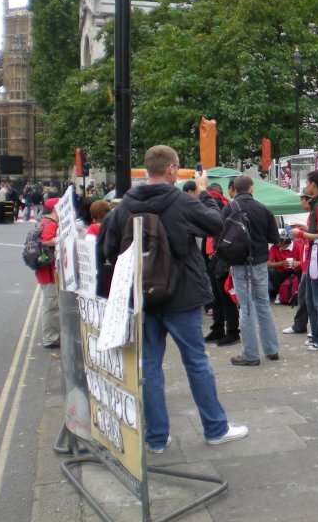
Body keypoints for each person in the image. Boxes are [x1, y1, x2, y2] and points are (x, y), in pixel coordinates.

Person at [100, 145, 246, 452]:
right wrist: (203, 192)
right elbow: (216, 223)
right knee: (195, 362)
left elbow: (107, 246)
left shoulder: (125, 205)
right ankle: (215, 428)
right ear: (170, 170)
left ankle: (156, 438)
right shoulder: (180, 201)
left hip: (142, 297)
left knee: (150, 366)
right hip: (182, 295)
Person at [221, 175, 281, 366]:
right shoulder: (264, 209)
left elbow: (220, 237)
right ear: (251, 189)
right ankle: (272, 349)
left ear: (235, 190)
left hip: (240, 264)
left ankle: (250, 354)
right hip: (261, 262)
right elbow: (274, 238)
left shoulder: (229, 209)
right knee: (263, 304)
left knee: (246, 308)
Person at [291, 171, 318, 351]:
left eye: (307, 183)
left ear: (313, 185)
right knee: (310, 300)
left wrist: (301, 234)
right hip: (313, 259)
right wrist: (304, 229)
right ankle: (317, 335)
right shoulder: (317, 205)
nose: (306, 186)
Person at [203, 183, 240, 346]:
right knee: (219, 297)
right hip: (220, 257)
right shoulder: (225, 205)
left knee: (223, 297)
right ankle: (220, 329)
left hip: (218, 257)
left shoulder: (215, 205)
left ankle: (230, 332)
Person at [282, 188, 312, 335]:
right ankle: (300, 325)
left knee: (312, 299)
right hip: (307, 266)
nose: (300, 202)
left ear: (308, 200)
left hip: (312, 266)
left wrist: (301, 232)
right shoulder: (312, 216)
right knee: (303, 296)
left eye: (302, 199)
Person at [35, 197, 60, 348]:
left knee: (52, 304)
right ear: (55, 209)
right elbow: (46, 241)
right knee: (51, 306)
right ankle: (50, 338)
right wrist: (61, 239)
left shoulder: (44, 222)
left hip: (46, 271)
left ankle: (53, 336)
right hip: (48, 273)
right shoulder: (50, 224)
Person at [268, 229, 302, 303]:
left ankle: (297, 293)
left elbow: (305, 261)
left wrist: (298, 263)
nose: (274, 243)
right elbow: (268, 264)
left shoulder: (297, 246)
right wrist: (281, 264)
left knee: (302, 272)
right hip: (282, 274)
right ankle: (279, 294)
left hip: (295, 273)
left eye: (276, 241)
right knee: (271, 271)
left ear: (283, 240)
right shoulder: (274, 248)